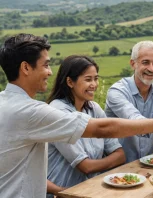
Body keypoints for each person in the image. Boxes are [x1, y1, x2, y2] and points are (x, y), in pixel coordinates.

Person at [0, 33, 153, 198]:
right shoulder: (32, 111)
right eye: (46, 65)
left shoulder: (6, 101)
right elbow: (102, 128)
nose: (49, 71)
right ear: (26, 68)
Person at [46, 55, 126, 197]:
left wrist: (95, 165)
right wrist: (103, 164)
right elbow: (85, 166)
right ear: (70, 82)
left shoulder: (94, 109)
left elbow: (120, 155)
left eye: (96, 78)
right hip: (61, 193)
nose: (94, 84)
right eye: (88, 79)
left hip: (89, 191)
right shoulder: (57, 112)